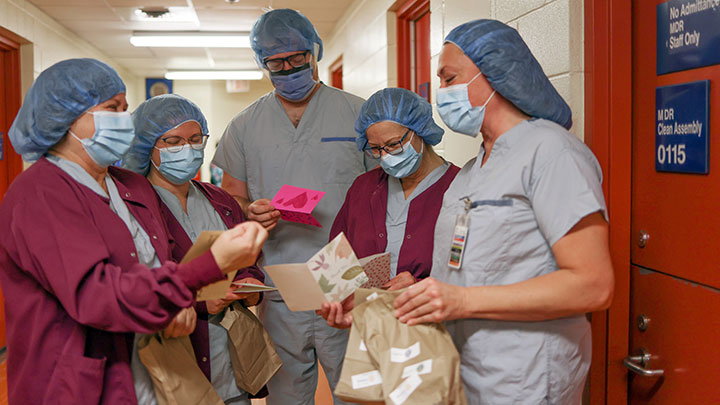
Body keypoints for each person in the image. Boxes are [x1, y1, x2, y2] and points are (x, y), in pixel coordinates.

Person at [0, 58, 267, 405]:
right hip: (71, 382)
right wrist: (207, 267)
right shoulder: (41, 193)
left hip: (145, 371)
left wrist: (177, 304)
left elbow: (154, 264)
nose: (124, 119)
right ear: (66, 116)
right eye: (112, 109)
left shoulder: (131, 187)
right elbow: (98, 297)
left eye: (125, 109)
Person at [390, 20, 615, 404]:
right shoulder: (474, 169)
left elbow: (593, 284)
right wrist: (423, 293)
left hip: (524, 378)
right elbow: (478, 265)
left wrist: (461, 301)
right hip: (467, 371)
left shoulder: (551, 153)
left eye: (449, 78)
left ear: (492, 73)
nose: (442, 93)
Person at [211, 9, 370, 404]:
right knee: (286, 396)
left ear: (315, 52)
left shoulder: (356, 113)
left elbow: (383, 191)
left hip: (345, 273)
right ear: (261, 63)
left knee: (358, 391)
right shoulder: (245, 125)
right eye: (276, 63)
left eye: (297, 58)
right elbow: (230, 196)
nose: (288, 68)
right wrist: (249, 211)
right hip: (279, 275)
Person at [123, 94, 269, 404]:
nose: (187, 150)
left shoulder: (222, 201)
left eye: (194, 139)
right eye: (173, 141)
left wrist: (251, 283)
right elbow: (135, 279)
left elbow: (245, 258)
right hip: (174, 357)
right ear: (147, 146)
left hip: (230, 360)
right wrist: (201, 302)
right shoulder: (133, 206)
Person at [319, 88, 460, 327]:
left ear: (420, 131)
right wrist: (336, 301)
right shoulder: (363, 189)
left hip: (438, 330)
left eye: (393, 144)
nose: (385, 156)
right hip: (371, 328)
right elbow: (336, 260)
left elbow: (476, 273)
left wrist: (419, 285)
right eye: (376, 149)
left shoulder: (460, 187)